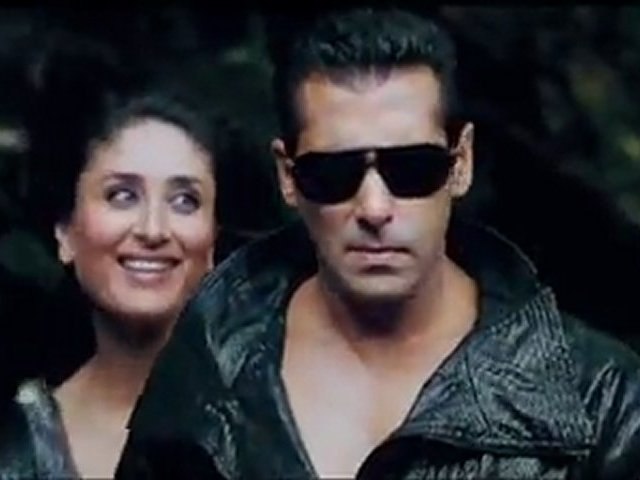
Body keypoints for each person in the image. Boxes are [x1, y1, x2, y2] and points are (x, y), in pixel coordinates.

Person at [118, 7, 640, 479]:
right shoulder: (203, 378)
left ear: (461, 163)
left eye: (412, 169)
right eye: (334, 173)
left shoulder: (601, 395)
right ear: (288, 176)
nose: (373, 208)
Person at [0, 36, 223, 479]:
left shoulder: (277, 427)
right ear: (66, 231)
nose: (153, 230)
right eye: (122, 195)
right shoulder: (15, 447)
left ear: (213, 241)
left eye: (185, 201)